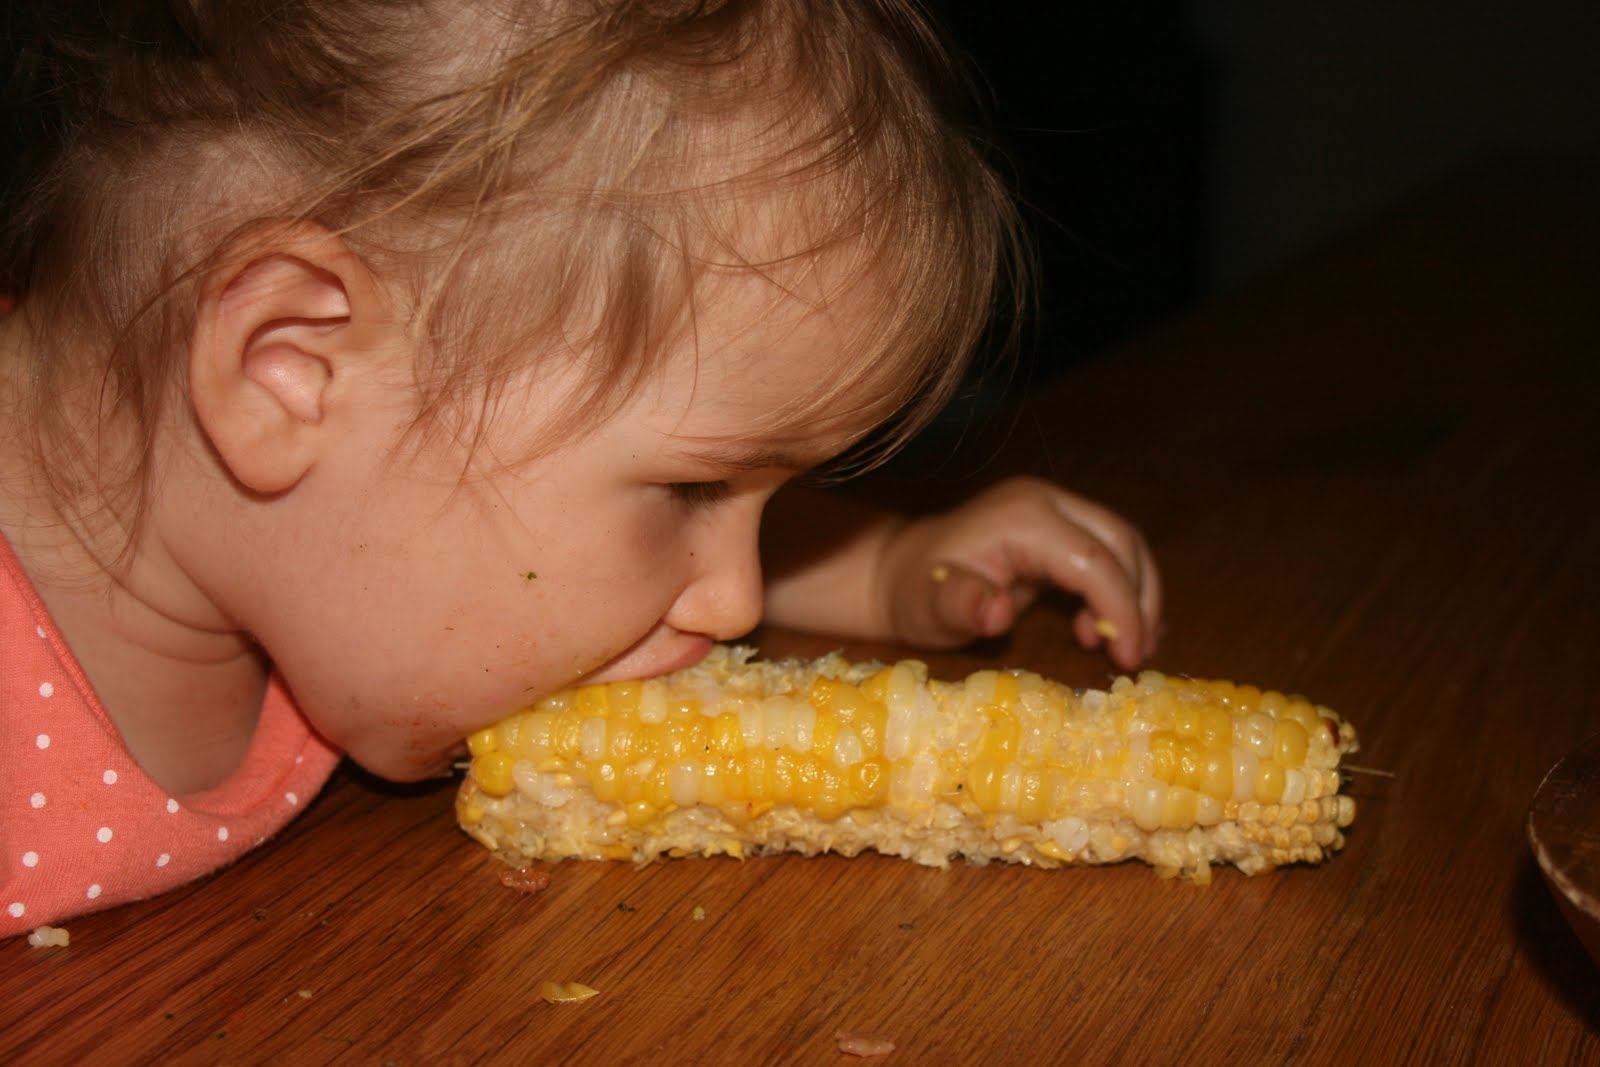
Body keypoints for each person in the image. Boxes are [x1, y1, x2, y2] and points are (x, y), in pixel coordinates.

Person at [0, 0, 1160, 936]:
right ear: (289, 369)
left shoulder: (319, 532)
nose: (739, 600)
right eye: (693, 490)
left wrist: (891, 560)